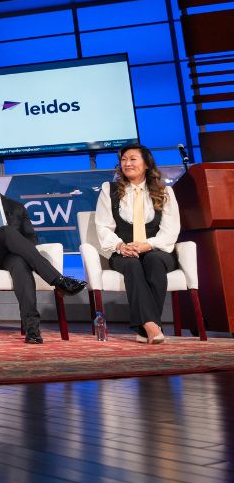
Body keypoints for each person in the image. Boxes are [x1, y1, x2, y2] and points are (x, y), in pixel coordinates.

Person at [0, 157, 87, 344]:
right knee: (7, 231)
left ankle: (32, 330)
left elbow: (31, 238)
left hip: (11, 256)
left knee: (20, 263)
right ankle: (58, 279)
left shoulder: (16, 207)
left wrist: (14, 244)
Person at [94, 144, 180, 344]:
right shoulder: (110, 190)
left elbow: (170, 230)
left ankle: (144, 329)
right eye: (123, 159)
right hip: (123, 250)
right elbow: (103, 226)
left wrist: (147, 245)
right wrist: (121, 246)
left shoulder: (165, 191)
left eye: (132, 159)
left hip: (156, 249)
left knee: (155, 261)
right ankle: (151, 325)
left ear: (146, 164)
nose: (127, 163)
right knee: (132, 264)